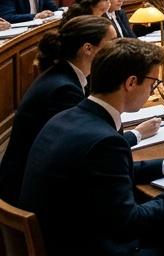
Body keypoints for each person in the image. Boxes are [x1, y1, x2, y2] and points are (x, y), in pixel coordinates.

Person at [20, 38, 164, 253]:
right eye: (153, 84)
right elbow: (130, 224)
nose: (152, 92)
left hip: (62, 234)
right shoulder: (105, 141)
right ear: (131, 83)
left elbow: (108, 173)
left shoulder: (66, 117)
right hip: (88, 247)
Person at [0, 15, 148, 203]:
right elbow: (83, 146)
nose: (116, 46)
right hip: (29, 189)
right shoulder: (64, 89)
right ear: (88, 49)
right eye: (112, 42)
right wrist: (136, 135)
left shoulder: (66, 74)